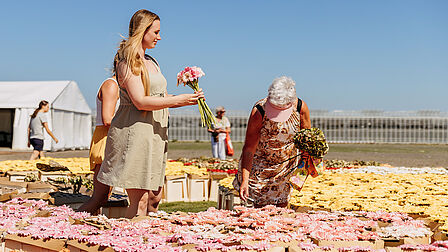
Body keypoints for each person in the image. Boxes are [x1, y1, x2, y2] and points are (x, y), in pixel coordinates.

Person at [97, 9, 203, 218]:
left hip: (154, 132)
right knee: (140, 202)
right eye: (155, 32)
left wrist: (187, 99)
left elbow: (159, 95)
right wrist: (178, 100)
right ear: (142, 31)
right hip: (135, 131)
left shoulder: (152, 61)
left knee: (154, 199)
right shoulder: (127, 60)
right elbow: (140, 101)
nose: (159, 37)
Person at [233, 76, 311, 208]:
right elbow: (249, 149)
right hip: (259, 168)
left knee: (280, 214)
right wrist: (245, 181)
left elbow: (307, 140)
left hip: (285, 169)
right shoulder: (259, 111)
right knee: (256, 214)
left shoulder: (300, 107)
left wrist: (303, 168)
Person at [77, 75, 120, 214]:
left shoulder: (120, 86)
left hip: (112, 137)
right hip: (107, 138)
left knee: (103, 197)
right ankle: (71, 223)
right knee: (100, 197)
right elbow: (107, 119)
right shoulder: (111, 85)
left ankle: (84, 225)